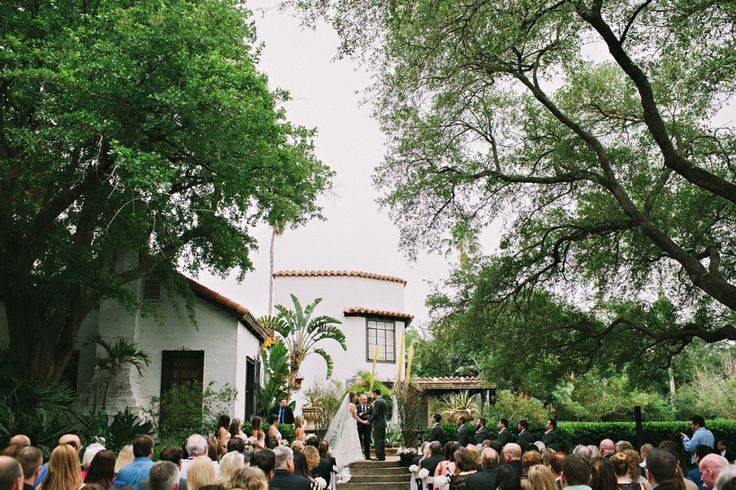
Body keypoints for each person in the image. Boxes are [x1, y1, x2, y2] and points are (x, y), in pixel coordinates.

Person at [367, 389, 387, 462]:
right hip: (383, 423)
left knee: (378, 440)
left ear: (375, 393)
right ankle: (382, 456)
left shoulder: (377, 402)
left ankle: (379, 456)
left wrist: (369, 421)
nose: (373, 396)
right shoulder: (384, 401)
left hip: (378, 424)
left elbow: (375, 413)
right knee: (382, 441)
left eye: (373, 394)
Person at [356, 395, 372, 460]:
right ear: (360, 400)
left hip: (367, 426)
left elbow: (372, 414)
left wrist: (368, 418)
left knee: (367, 441)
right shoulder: (357, 407)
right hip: (359, 426)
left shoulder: (370, 406)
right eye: (363, 400)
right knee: (359, 441)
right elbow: (356, 415)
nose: (364, 401)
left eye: (365, 399)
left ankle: (367, 456)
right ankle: (359, 456)